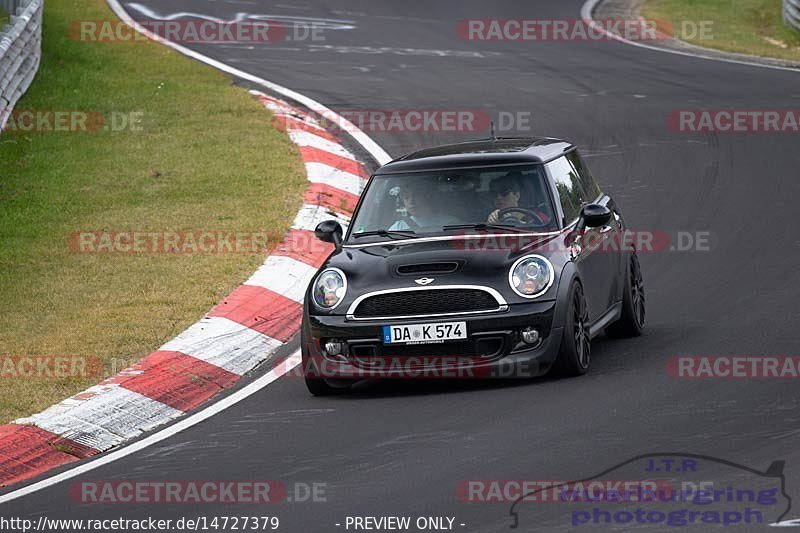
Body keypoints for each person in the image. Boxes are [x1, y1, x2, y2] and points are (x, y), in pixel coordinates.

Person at [388, 180, 458, 231]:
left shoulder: (450, 224)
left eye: (416, 196)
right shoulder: (398, 228)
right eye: (406, 198)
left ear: (426, 197)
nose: (411, 202)